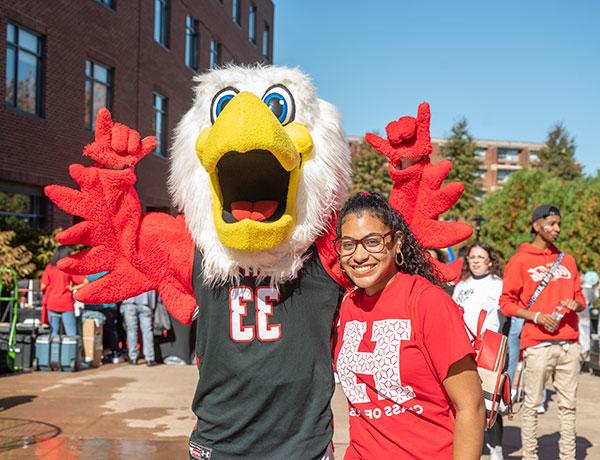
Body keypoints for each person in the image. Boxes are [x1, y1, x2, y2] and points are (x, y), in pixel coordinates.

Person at [333, 192, 484, 460]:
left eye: (372, 242)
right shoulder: (347, 305)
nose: (359, 255)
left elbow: (470, 407)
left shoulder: (428, 302)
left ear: (397, 242)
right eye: (348, 244)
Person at [500, 204, 586, 460]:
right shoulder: (520, 260)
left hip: (569, 344)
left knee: (568, 407)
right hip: (537, 345)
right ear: (537, 225)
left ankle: (568, 457)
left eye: (559, 224)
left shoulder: (567, 260)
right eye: (551, 223)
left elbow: (580, 297)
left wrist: (577, 304)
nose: (557, 229)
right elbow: (506, 302)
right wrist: (536, 316)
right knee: (532, 405)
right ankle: (531, 456)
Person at [452, 241, 505, 460]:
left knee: (490, 400)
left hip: (488, 350)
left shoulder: (497, 284)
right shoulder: (461, 284)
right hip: (463, 347)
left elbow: (506, 314)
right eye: (472, 257)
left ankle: (496, 446)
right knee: (465, 399)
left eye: (480, 257)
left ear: (489, 261)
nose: (475, 261)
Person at [40, 246, 86, 336]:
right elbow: (85, 282)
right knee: (71, 333)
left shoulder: (49, 267)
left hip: (52, 302)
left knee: (53, 333)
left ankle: (53, 350)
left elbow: (43, 286)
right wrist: (73, 288)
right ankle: (71, 350)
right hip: (66, 303)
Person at [85, 272, 124, 363]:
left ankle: (98, 353)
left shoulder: (89, 273)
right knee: (110, 330)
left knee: (95, 332)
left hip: (94, 305)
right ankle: (115, 353)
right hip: (108, 305)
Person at [121, 290, 158, 366]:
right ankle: (149, 358)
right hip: (145, 303)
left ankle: (133, 358)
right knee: (147, 331)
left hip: (129, 302)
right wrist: (153, 306)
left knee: (131, 331)